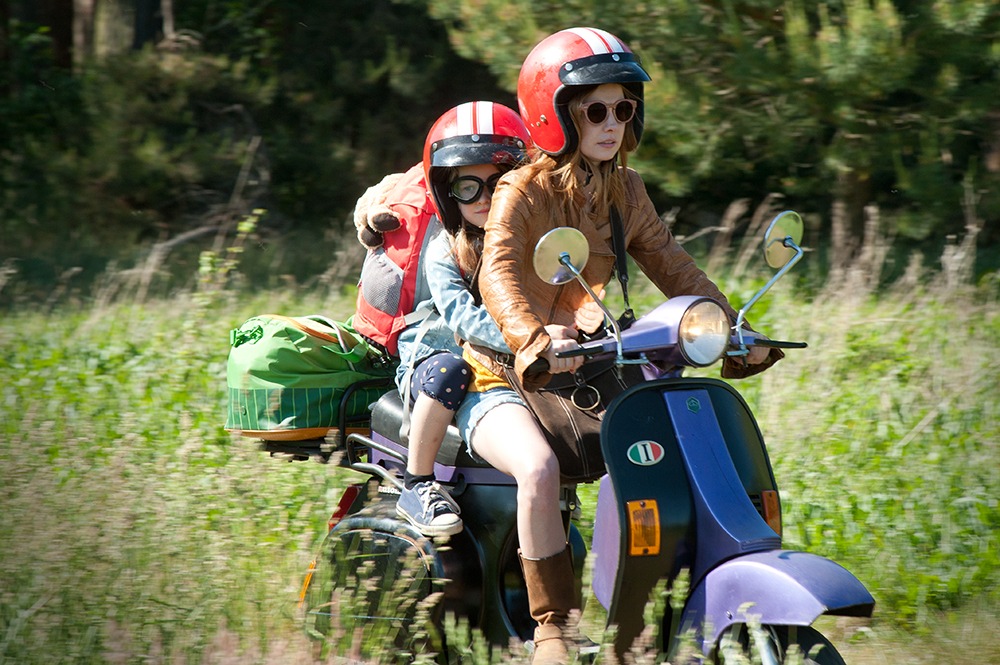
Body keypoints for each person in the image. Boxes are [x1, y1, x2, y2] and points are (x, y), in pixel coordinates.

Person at [464, 27, 784, 663]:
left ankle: (643, 621)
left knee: (663, 459)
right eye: (595, 110)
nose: (613, 123)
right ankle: (554, 625)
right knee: (542, 469)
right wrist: (528, 338)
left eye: (624, 109)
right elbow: (498, 270)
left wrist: (731, 326)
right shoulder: (521, 191)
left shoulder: (625, 189)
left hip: (586, 363)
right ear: (556, 114)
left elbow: (671, 262)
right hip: (505, 370)